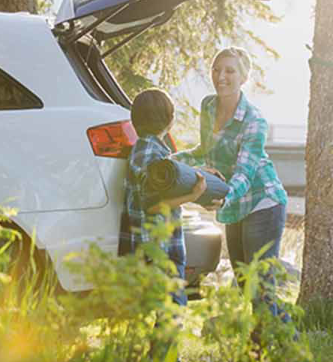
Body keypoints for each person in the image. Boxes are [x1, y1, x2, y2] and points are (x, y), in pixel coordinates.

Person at [175, 47, 291, 321]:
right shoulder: (208, 106)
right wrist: (170, 161)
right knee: (245, 284)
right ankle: (285, 345)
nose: (221, 77)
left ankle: (273, 353)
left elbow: (245, 172)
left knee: (260, 287)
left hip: (262, 201)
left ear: (243, 77)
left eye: (229, 71)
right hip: (235, 202)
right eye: (217, 69)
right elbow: (205, 150)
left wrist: (225, 196)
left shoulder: (254, 121)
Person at [121, 89, 206, 306]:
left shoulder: (147, 150)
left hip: (159, 246)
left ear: (134, 121)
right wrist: (193, 195)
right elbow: (154, 206)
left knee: (164, 312)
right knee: (172, 311)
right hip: (158, 248)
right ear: (170, 120)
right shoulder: (151, 154)